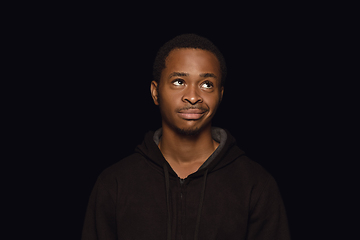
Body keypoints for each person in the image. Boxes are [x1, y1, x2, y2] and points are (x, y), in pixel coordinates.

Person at [81, 34, 291, 240]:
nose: (192, 97)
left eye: (206, 84)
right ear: (155, 92)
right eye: (179, 81)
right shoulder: (115, 183)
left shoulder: (255, 184)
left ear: (220, 94)